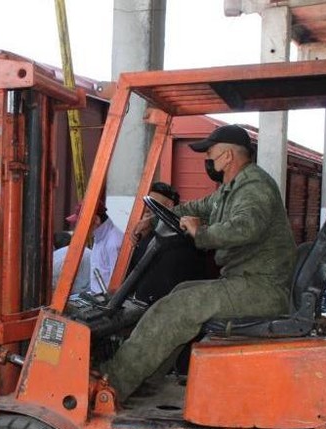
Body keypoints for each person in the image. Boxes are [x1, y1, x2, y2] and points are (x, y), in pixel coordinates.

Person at [101, 124, 296, 401]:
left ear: (227, 156)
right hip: (246, 282)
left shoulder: (255, 187)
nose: (208, 160)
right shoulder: (230, 189)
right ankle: (144, 379)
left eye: (211, 153)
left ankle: (112, 384)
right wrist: (154, 219)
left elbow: (245, 227)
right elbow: (195, 207)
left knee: (177, 308)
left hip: (261, 288)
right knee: (178, 294)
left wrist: (199, 233)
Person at [128, 181, 216, 305]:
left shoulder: (189, 235)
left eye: (152, 203)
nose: (147, 208)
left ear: (169, 204)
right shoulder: (145, 237)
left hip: (175, 305)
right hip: (141, 305)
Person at [67, 201, 124, 293]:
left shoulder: (113, 242)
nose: (79, 228)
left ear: (96, 220)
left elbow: (117, 285)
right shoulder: (100, 236)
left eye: (81, 223)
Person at [51, 231, 91, 295]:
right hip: (92, 294)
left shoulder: (55, 258)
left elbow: (53, 286)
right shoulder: (88, 251)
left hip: (68, 298)